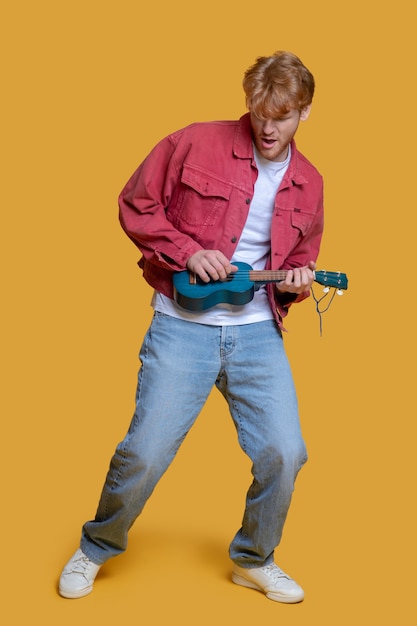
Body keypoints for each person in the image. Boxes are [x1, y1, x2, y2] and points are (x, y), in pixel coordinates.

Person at [59, 50, 324, 604]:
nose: (268, 126)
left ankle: (254, 557)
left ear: (304, 113)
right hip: (183, 326)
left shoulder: (310, 184)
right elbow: (136, 201)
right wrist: (187, 253)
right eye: (259, 112)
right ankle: (96, 546)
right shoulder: (194, 141)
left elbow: (297, 262)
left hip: (257, 334)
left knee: (286, 450)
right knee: (146, 451)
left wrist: (294, 285)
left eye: (282, 115)